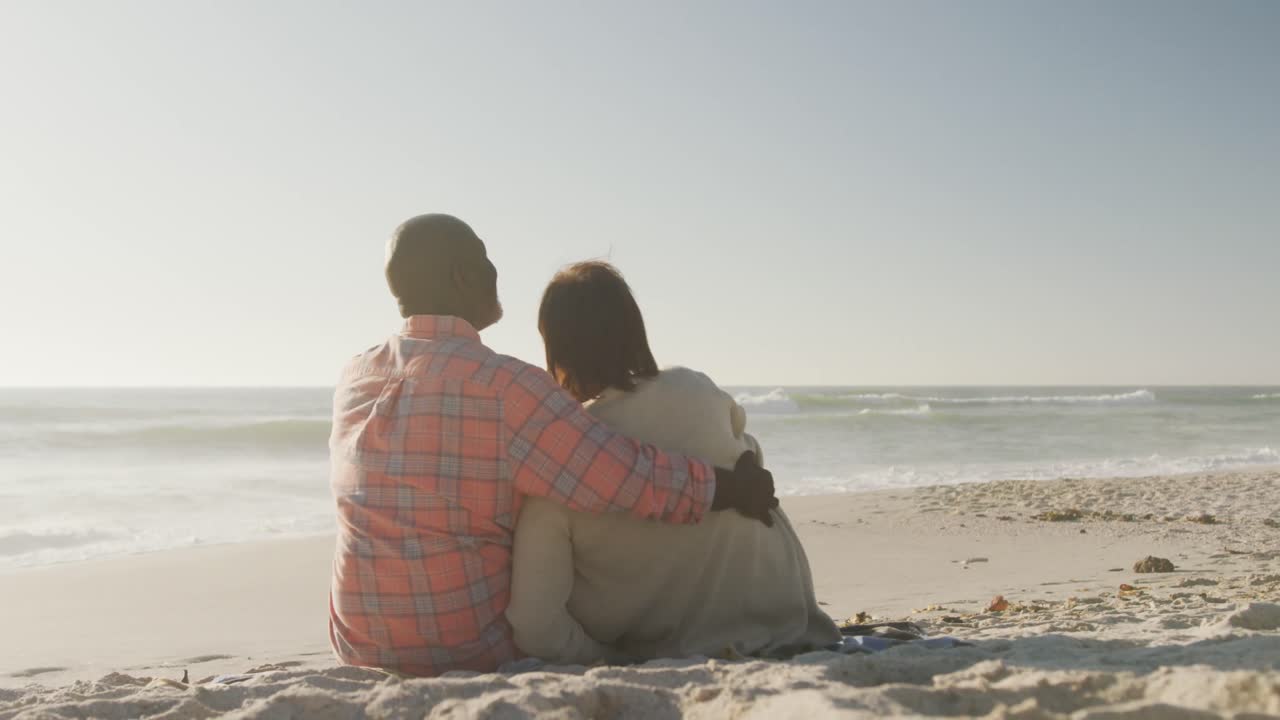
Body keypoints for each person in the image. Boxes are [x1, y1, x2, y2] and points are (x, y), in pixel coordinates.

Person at [328, 214, 778, 677]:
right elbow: (620, 476)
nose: (495, 271)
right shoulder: (506, 386)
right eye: (485, 258)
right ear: (462, 275)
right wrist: (729, 488)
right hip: (467, 650)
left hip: (359, 649)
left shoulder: (354, 378)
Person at [506, 261, 840, 664]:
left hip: (673, 653)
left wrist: (607, 659)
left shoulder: (562, 460)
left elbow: (535, 625)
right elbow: (749, 458)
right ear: (634, 328)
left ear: (554, 347)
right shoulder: (694, 390)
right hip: (795, 630)